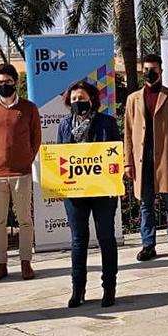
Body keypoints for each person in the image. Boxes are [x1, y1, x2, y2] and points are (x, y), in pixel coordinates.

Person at [57, 80, 121, 308]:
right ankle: (78, 289)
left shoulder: (107, 123)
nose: (78, 102)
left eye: (82, 98)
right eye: (74, 99)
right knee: (78, 240)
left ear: (92, 99)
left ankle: (109, 287)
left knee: (106, 238)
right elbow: (59, 157)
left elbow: (115, 155)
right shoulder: (64, 126)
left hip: (103, 191)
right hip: (75, 192)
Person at [0, 63, 41, 282]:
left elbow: (36, 139)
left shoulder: (29, 108)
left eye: (8, 81)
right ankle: (0, 264)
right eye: (0, 82)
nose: (4, 85)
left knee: (25, 220)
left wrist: (25, 160)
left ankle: (26, 262)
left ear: (16, 81)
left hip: (22, 174)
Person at [125, 54, 168, 261]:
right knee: (145, 205)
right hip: (141, 159)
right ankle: (148, 245)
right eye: (145, 69)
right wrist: (128, 162)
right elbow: (127, 132)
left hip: (165, 158)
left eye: (153, 69)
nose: (149, 73)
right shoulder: (133, 99)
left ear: (161, 71)